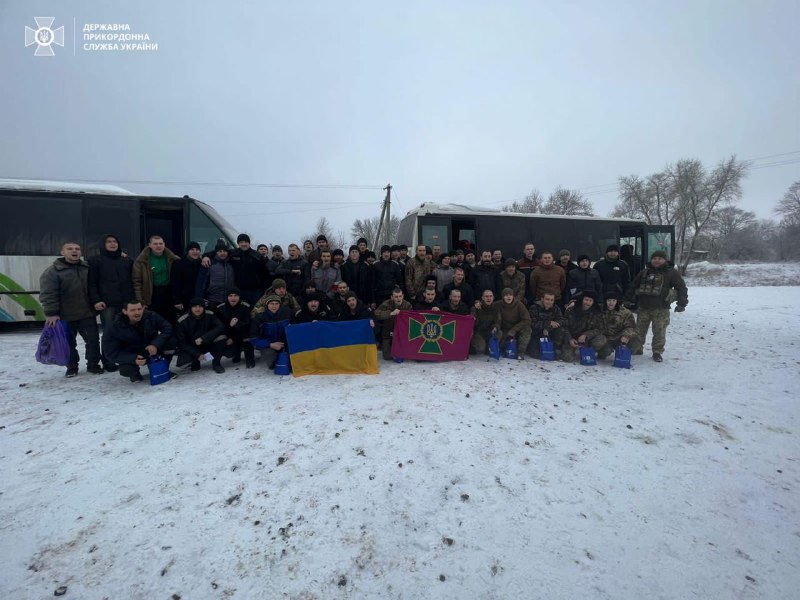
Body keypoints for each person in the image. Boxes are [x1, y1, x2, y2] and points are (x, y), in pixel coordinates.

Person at [40, 241, 103, 377]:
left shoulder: (86, 268)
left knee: (93, 341)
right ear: (62, 252)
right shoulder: (53, 272)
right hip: (65, 316)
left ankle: (93, 365)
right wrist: (51, 313)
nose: (74, 251)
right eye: (70, 249)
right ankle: (72, 367)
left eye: (77, 249)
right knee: (68, 343)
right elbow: (48, 293)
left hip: (86, 313)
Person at [624, 250, 688, 362]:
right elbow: (633, 286)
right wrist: (628, 300)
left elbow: (682, 288)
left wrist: (682, 303)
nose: (656, 260)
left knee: (659, 331)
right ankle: (637, 348)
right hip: (644, 307)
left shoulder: (672, 273)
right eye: (654, 258)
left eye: (660, 258)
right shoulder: (644, 272)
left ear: (665, 260)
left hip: (661, 309)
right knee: (639, 330)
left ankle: (657, 352)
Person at [88, 234, 134, 372]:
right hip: (107, 304)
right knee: (109, 332)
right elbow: (92, 283)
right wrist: (96, 300)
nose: (113, 244)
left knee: (126, 331)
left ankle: (124, 358)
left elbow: (133, 281)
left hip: (126, 302)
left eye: (115, 241)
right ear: (103, 244)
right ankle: (108, 361)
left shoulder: (126, 260)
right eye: (109, 242)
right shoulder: (95, 261)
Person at [102, 298, 177, 382]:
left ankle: (162, 369)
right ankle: (134, 374)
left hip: (151, 349)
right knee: (127, 369)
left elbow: (167, 328)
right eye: (133, 310)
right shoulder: (113, 326)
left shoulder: (151, 316)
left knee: (171, 341)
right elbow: (110, 353)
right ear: (125, 311)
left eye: (139, 309)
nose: (137, 312)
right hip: (131, 353)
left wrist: (155, 344)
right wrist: (132, 358)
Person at [132, 235, 179, 323]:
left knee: (170, 321)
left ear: (164, 244)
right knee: (152, 322)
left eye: (160, 243)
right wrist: (140, 301)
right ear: (149, 245)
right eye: (155, 244)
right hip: (151, 294)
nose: (158, 246)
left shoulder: (173, 259)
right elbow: (137, 283)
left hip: (168, 293)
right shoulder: (141, 261)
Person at [175, 298, 228, 373]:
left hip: (207, 342)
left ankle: (216, 364)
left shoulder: (210, 314)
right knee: (184, 363)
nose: (197, 309)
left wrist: (204, 338)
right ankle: (195, 362)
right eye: (195, 307)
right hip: (192, 346)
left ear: (204, 307)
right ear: (191, 308)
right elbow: (182, 343)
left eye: (200, 306)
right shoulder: (182, 320)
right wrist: (197, 354)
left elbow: (220, 327)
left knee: (222, 337)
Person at [250, 294, 292, 369]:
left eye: (276, 304)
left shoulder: (287, 313)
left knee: (292, 362)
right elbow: (253, 339)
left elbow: (294, 328)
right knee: (275, 364)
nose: (274, 306)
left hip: (284, 343)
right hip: (268, 345)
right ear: (267, 305)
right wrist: (270, 344)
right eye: (271, 304)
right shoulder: (260, 317)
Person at [563, 291, 606, 363]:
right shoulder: (571, 309)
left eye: (590, 301)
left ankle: (588, 351)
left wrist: (586, 335)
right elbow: (564, 326)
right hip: (572, 338)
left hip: (586, 340)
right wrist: (570, 339)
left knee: (602, 339)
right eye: (586, 300)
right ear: (582, 299)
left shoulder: (596, 312)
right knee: (567, 358)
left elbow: (599, 329)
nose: (588, 303)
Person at [216, 288, 255, 368]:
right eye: (230, 296)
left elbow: (248, 323)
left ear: (239, 297)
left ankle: (250, 358)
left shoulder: (246, 306)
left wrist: (236, 324)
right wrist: (230, 326)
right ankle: (236, 354)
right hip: (228, 333)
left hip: (242, 332)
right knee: (224, 343)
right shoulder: (220, 308)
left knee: (247, 336)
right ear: (227, 297)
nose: (233, 298)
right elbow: (219, 327)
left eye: (235, 296)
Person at [228, 234, 269, 306]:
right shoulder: (233, 254)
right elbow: (218, 252)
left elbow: (265, 274)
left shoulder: (257, 256)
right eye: (241, 242)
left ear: (249, 243)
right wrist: (206, 256)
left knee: (254, 312)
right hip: (237, 290)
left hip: (254, 291)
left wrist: (263, 290)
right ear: (238, 243)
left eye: (246, 242)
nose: (243, 244)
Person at [374, 287, 413, 360]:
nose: (398, 299)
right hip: (388, 332)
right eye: (396, 297)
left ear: (403, 296)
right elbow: (376, 314)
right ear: (392, 297)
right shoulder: (386, 304)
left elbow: (411, 320)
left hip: (402, 334)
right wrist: (390, 313)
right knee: (387, 357)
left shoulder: (407, 305)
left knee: (405, 354)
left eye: (400, 296)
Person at [598, 292, 638, 359]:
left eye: (614, 300)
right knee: (605, 352)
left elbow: (631, 327)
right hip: (605, 338)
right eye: (609, 300)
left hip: (618, 337)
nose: (611, 303)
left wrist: (626, 335)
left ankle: (624, 353)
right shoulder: (599, 311)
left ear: (617, 301)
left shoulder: (625, 312)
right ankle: (602, 351)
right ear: (605, 301)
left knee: (634, 343)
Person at [529, 292, 569, 358]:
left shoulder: (556, 308)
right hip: (536, 334)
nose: (549, 302)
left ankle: (556, 349)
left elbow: (562, 320)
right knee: (536, 355)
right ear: (542, 299)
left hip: (550, 333)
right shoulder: (534, 308)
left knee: (561, 330)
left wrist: (548, 327)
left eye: (552, 300)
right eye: (547, 299)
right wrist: (548, 323)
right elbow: (532, 324)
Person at [196, 241, 236, 306]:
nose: (222, 253)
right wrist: (200, 297)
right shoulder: (209, 263)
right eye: (220, 251)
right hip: (213, 300)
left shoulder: (231, 264)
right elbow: (201, 282)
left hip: (229, 300)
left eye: (224, 251)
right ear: (216, 252)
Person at [498, 288, 531, 359]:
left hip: (517, 329)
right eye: (506, 295)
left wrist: (514, 330)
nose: (508, 297)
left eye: (510, 295)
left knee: (527, 329)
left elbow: (527, 320)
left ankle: (520, 353)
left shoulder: (519, 305)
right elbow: (488, 306)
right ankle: (503, 350)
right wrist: (478, 303)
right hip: (504, 330)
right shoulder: (498, 304)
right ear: (503, 297)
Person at [171, 241, 203, 316]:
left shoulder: (202, 263)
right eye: (192, 249)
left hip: (199, 299)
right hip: (184, 300)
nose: (195, 252)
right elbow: (175, 283)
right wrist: (177, 301)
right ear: (187, 251)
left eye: (197, 250)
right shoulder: (178, 263)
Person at [470, 289, 502, 355]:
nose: (489, 298)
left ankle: (490, 347)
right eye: (486, 296)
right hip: (478, 332)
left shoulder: (496, 308)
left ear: (493, 298)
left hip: (489, 331)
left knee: (499, 332)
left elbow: (498, 321)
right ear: (482, 298)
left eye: (490, 296)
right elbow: (472, 320)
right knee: (481, 348)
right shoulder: (476, 307)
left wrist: (495, 327)